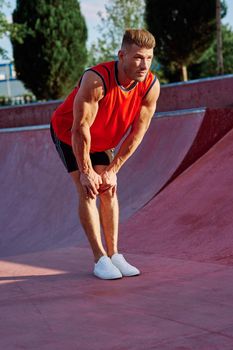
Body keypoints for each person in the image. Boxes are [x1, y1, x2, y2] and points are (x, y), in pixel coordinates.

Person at [50, 28, 160, 280]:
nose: (144, 64)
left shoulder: (150, 86)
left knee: (109, 188)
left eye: (149, 58)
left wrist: (113, 170)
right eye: (137, 57)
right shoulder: (96, 80)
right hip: (70, 133)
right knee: (87, 188)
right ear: (121, 55)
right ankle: (99, 258)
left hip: (104, 139)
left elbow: (137, 134)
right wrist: (87, 171)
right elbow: (80, 129)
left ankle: (114, 255)